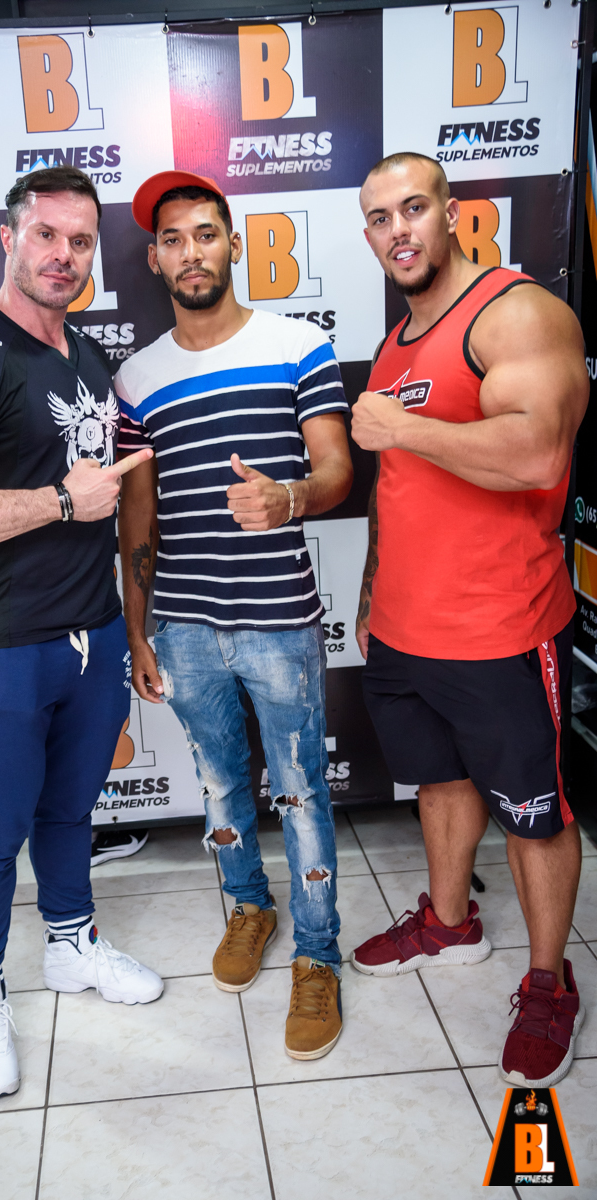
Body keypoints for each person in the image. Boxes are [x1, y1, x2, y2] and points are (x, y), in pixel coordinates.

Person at [0, 166, 163, 1101]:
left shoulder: (84, 354)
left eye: (80, 241)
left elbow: (112, 492)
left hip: (92, 632)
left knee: (71, 812)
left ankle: (70, 944)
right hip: (6, 639)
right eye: (45, 234)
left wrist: (129, 627)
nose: (63, 255)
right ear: (8, 238)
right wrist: (60, 500)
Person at [350, 152, 589, 1088]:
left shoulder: (512, 312)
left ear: (452, 213)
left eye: (413, 208)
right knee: (440, 782)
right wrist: (372, 594)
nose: (397, 230)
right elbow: (397, 488)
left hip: (500, 627)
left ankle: (548, 980)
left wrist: (401, 427)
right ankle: (449, 923)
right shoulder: (398, 342)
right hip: (405, 628)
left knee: (533, 814)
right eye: (379, 218)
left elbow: (537, 453)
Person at [115, 170, 354, 1060]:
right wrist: (137, 631)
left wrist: (288, 497)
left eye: (205, 234)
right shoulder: (136, 376)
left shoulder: (298, 345)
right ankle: (250, 908)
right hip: (180, 625)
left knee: (299, 792)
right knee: (219, 785)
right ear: (155, 259)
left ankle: (318, 953)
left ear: (232, 244)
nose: (191, 253)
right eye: (173, 239)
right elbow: (136, 518)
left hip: (278, 619)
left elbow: (336, 470)